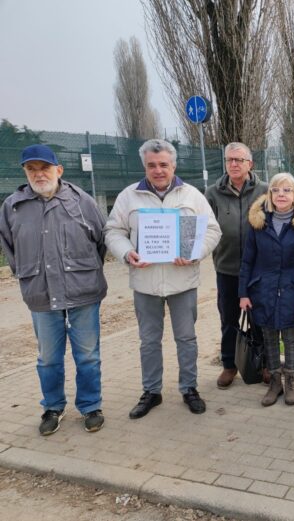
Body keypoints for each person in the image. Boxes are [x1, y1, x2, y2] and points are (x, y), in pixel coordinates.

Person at [104, 139, 221, 419]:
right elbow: (113, 231)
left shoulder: (191, 195)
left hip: (182, 280)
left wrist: (195, 253)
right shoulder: (128, 197)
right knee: (148, 340)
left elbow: (213, 231)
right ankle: (151, 391)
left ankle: (189, 388)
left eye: (163, 165)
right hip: (145, 282)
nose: (158, 170)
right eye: (152, 165)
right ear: (145, 166)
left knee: (187, 338)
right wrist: (127, 252)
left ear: (174, 165)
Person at [0, 144, 108, 435]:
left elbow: (100, 240)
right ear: (24, 172)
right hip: (41, 295)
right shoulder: (13, 206)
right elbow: (10, 249)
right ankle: (53, 407)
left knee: (87, 355)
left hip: (82, 292)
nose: (39, 174)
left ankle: (90, 406)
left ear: (58, 170)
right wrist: (27, 276)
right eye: (31, 169)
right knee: (48, 358)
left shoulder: (82, 201)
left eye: (44, 168)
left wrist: (84, 272)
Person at [239, 173, 294, 406]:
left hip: (292, 289)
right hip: (262, 288)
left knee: (291, 338)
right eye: (276, 190)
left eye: (287, 190)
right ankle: (275, 381)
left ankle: (291, 380)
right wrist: (243, 293)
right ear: (269, 195)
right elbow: (247, 260)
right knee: (269, 336)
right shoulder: (258, 222)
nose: (281, 195)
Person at [205, 142, 267, 389]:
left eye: (239, 160)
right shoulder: (213, 193)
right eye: (229, 160)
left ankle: (263, 365)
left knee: (260, 319)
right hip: (227, 269)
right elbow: (204, 227)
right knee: (228, 318)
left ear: (250, 164)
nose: (233, 164)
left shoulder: (265, 190)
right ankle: (229, 365)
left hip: (259, 270)